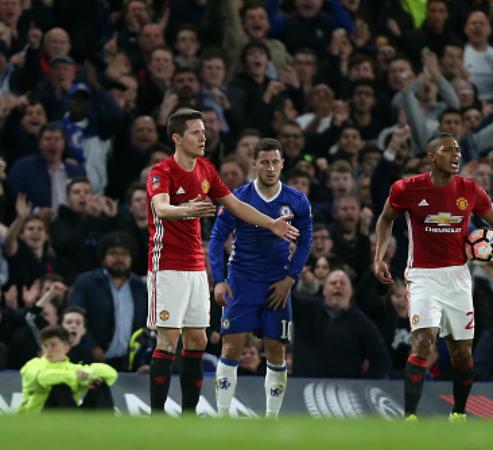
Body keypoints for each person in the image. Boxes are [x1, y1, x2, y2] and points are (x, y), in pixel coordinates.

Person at [146, 109, 298, 415]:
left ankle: (188, 414)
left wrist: (271, 224)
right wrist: (187, 209)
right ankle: (157, 415)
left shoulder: (205, 169)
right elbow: (161, 209)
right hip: (167, 266)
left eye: (204, 132)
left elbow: (236, 205)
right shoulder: (162, 172)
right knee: (168, 339)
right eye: (195, 132)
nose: (203, 137)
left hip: (195, 267)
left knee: (197, 339)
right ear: (177, 138)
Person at [373, 132, 493, 421]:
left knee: (462, 354)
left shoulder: (470, 190)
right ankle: (409, 418)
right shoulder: (406, 189)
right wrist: (379, 258)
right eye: (448, 150)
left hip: (458, 278)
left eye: (458, 150)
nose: (456, 155)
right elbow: (385, 218)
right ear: (431, 157)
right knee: (424, 341)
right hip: (423, 277)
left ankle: (458, 414)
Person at [208, 138, 312, 418]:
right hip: (242, 280)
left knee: (276, 349)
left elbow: (306, 241)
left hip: (277, 282)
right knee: (231, 346)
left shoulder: (296, 200)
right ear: (253, 164)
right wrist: (219, 279)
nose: (269, 168)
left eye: (274, 162)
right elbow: (217, 238)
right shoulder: (239, 197)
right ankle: (222, 416)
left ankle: (271, 420)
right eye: (264, 162)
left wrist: (290, 279)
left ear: (282, 164)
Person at [67, 232, 147, 371]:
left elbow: (147, 323)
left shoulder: (140, 286)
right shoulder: (87, 282)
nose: (119, 258)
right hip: (90, 363)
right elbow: (74, 316)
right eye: (113, 253)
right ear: (103, 257)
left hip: (130, 366)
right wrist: (91, 346)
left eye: (124, 254)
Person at [18, 325, 118, 414]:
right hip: (37, 420)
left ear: (66, 348)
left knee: (99, 384)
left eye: (53, 345)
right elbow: (43, 378)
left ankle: (106, 428)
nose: (48, 349)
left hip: (66, 416)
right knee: (60, 387)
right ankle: (75, 429)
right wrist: (76, 377)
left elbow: (111, 374)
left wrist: (89, 375)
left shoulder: (72, 368)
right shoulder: (33, 365)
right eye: (45, 345)